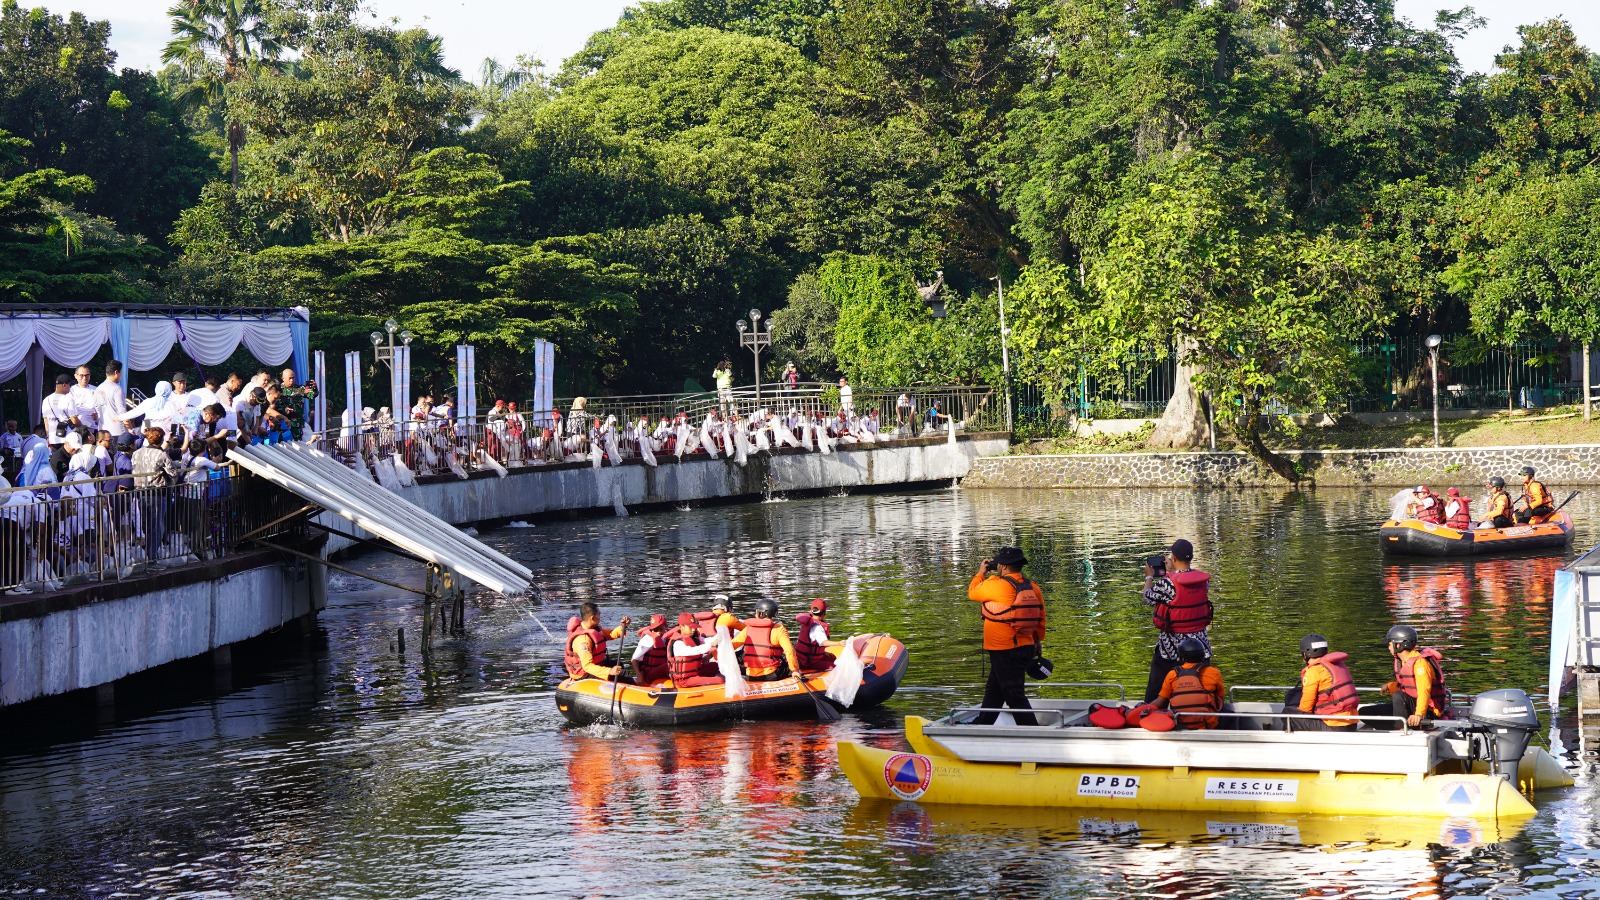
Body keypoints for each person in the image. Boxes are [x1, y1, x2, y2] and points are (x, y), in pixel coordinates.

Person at [968, 546, 1045, 726]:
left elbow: (972, 592)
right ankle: (983, 724)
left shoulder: (995, 584)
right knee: (994, 690)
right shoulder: (1033, 586)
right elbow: (1040, 617)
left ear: (1002, 566)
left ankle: (1033, 734)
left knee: (1014, 695)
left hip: (1003, 649)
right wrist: (1038, 640)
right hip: (1025, 646)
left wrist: (981, 572)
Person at [1143, 539, 1212, 702]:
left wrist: (1148, 577)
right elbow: (1184, 581)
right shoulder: (1203, 580)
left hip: (1171, 647)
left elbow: (1147, 598)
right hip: (1200, 646)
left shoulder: (1167, 583)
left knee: (1156, 688)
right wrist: (1173, 571)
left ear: (1173, 558)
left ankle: (1151, 710)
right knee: (1202, 686)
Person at [1360, 624, 1449, 729]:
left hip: (1427, 712)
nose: (1388, 647)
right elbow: (1408, 687)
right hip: (1411, 706)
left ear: (1398, 645)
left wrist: (1419, 714)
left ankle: (1402, 729)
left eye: (1389, 644)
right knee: (1364, 713)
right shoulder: (1402, 662)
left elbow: (1424, 691)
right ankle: (1400, 726)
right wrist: (1390, 686)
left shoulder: (1420, 664)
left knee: (1398, 696)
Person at [1286, 634, 1358, 732]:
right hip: (1352, 724)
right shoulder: (1339, 665)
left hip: (1334, 726)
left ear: (1305, 654)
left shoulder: (1314, 671)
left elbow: (1306, 707)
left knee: (1288, 713)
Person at [1153, 638, 1224, 730]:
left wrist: (1143, 707)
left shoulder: (1172, 675)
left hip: (1181, 726)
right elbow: (1220, 702)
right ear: (1202, 655)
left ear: (1181, 657)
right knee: (1231, 715)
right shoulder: (1214, 673)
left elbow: (1159, 703)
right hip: (1208, 726)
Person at [563, 602, 632, 681]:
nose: (600, 617)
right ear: (592, 618)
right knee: (623, 674)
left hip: (594, 665)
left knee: (618, 664)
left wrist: (623, 627)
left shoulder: (594, 629)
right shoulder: (583, 640)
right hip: (583, 674)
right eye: (599, 615)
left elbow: (610, 634)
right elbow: (587, 666)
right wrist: (609, 671)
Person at [741, 598, 801, 682]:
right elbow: (790, 651)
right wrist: (794, 670)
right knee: (793, 665)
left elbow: (732, 645)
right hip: (771, 674)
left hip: (750, 675)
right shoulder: (779, 629)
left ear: (761, 613)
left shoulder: (748, 629)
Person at [667, 613, 723, 688]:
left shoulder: (694, 638)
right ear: (681, 627)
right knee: (720, 681)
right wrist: (711, 644)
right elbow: (692, 650)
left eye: (694, 627)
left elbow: (709, 640)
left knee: (714, 666)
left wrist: (722, 633)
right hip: (683, 680)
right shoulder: (678, 643)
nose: (693, 629)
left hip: (695, 672)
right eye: (690, 627)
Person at [794, 598, 845, 673]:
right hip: (809, 663)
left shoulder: (808, 622)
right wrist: (839, 643)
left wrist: (823, 653)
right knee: (838, 667)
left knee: (832, 657)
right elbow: (823, 642)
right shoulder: (817, 627)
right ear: (824, 613)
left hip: (802, 659)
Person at [630, 614, 672, 684]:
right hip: (649, 675)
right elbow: (634, 660)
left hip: (663, 673)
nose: (658, 631)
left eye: (661, 629)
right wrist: (638, 675)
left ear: (666, 627)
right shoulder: (648, 639)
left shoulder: (669, 637)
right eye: (655, 629)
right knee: (668, 666)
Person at [42, 374, 76, 447]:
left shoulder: (46, 400)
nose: (70, 388)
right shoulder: (69, 399)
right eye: (70, 385)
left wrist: (48, 437)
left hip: (53, 439)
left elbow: (46, 421)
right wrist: (82, 426)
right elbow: (74, 420)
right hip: (67, 438)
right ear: (64, 385)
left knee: (56, 458)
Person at [96, 361, 127, 439]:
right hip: (117, 431)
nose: (121, 375)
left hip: (102, 431)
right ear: (116, 372)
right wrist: (130, 428)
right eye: (121, 372)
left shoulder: (98, 388)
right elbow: (122, 412)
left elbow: (98, 409)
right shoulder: (117, 389)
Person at [69, 365, 100, 434]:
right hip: (76, 429)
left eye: (87, 375)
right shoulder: (71, 391)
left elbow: (102, 407)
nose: (84, 378)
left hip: (92, 428)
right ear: (75, 376)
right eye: (81, 375)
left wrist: (97, 416)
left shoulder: (96, 390)